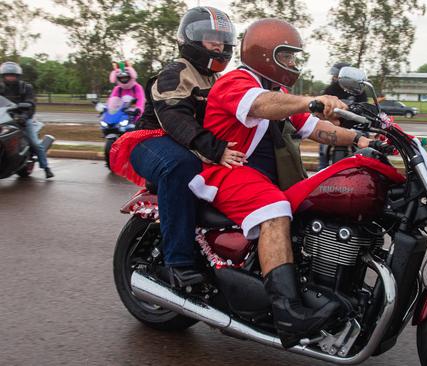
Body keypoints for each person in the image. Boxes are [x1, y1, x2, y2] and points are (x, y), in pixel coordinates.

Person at [188, 19, 375, 348]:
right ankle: (287, 313)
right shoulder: (237, 82)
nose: (292, 64)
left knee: (317, 197)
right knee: (275, 209)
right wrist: (311, 100)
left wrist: (360, 139)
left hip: (253, 174)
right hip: (224, 169)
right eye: (286, 56)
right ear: (265, 54)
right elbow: (259, 105)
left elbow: (315, 128)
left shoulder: (280, 93)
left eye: (292, 57)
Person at [112, 6, 243, 287]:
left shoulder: (215, 79)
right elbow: (175, 118)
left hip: (186, 144)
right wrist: (214, 148)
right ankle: (177, 262)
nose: (218, 44)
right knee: (180, 166)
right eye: (210, 38)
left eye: (222, 38)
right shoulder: (176, 72)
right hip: (150, 141)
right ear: (191, 39)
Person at [0, 61, 53, 178]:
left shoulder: (26, 87)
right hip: (5, 117)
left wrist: (24, 116)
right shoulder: (1, 87)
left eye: (12, 75)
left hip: (23, 117)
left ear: (18, 76)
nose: (10, 77)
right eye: (7, 75)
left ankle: (46, 168)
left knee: (35, 143)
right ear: (3, 76)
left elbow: (31, 104)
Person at [318, 61, 368, 169]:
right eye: (334, 75)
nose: (334, 77)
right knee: (322, 145)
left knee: (365, 148)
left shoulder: (358, 90)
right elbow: (321, 104)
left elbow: (366, 107)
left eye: (336, 75)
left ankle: (364, 169)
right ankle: (321, 171)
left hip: (354, 126)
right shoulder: (330, 89)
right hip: (333, 125)